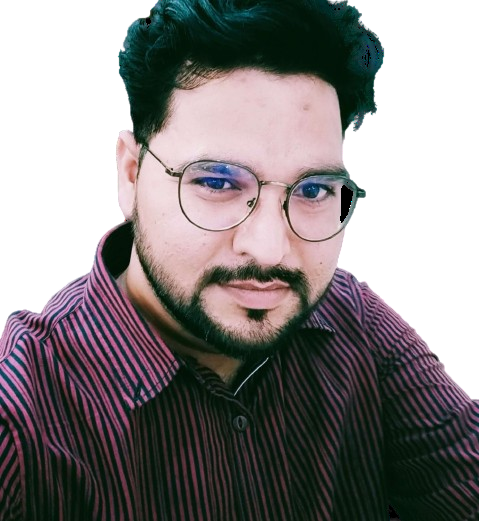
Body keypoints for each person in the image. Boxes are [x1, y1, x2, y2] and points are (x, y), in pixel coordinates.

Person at [0, 0, 477, 519]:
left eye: (313, 190)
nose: (269, 249)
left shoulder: (352, 322)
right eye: (217, 182)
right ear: (132, 174)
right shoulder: (21, 428)